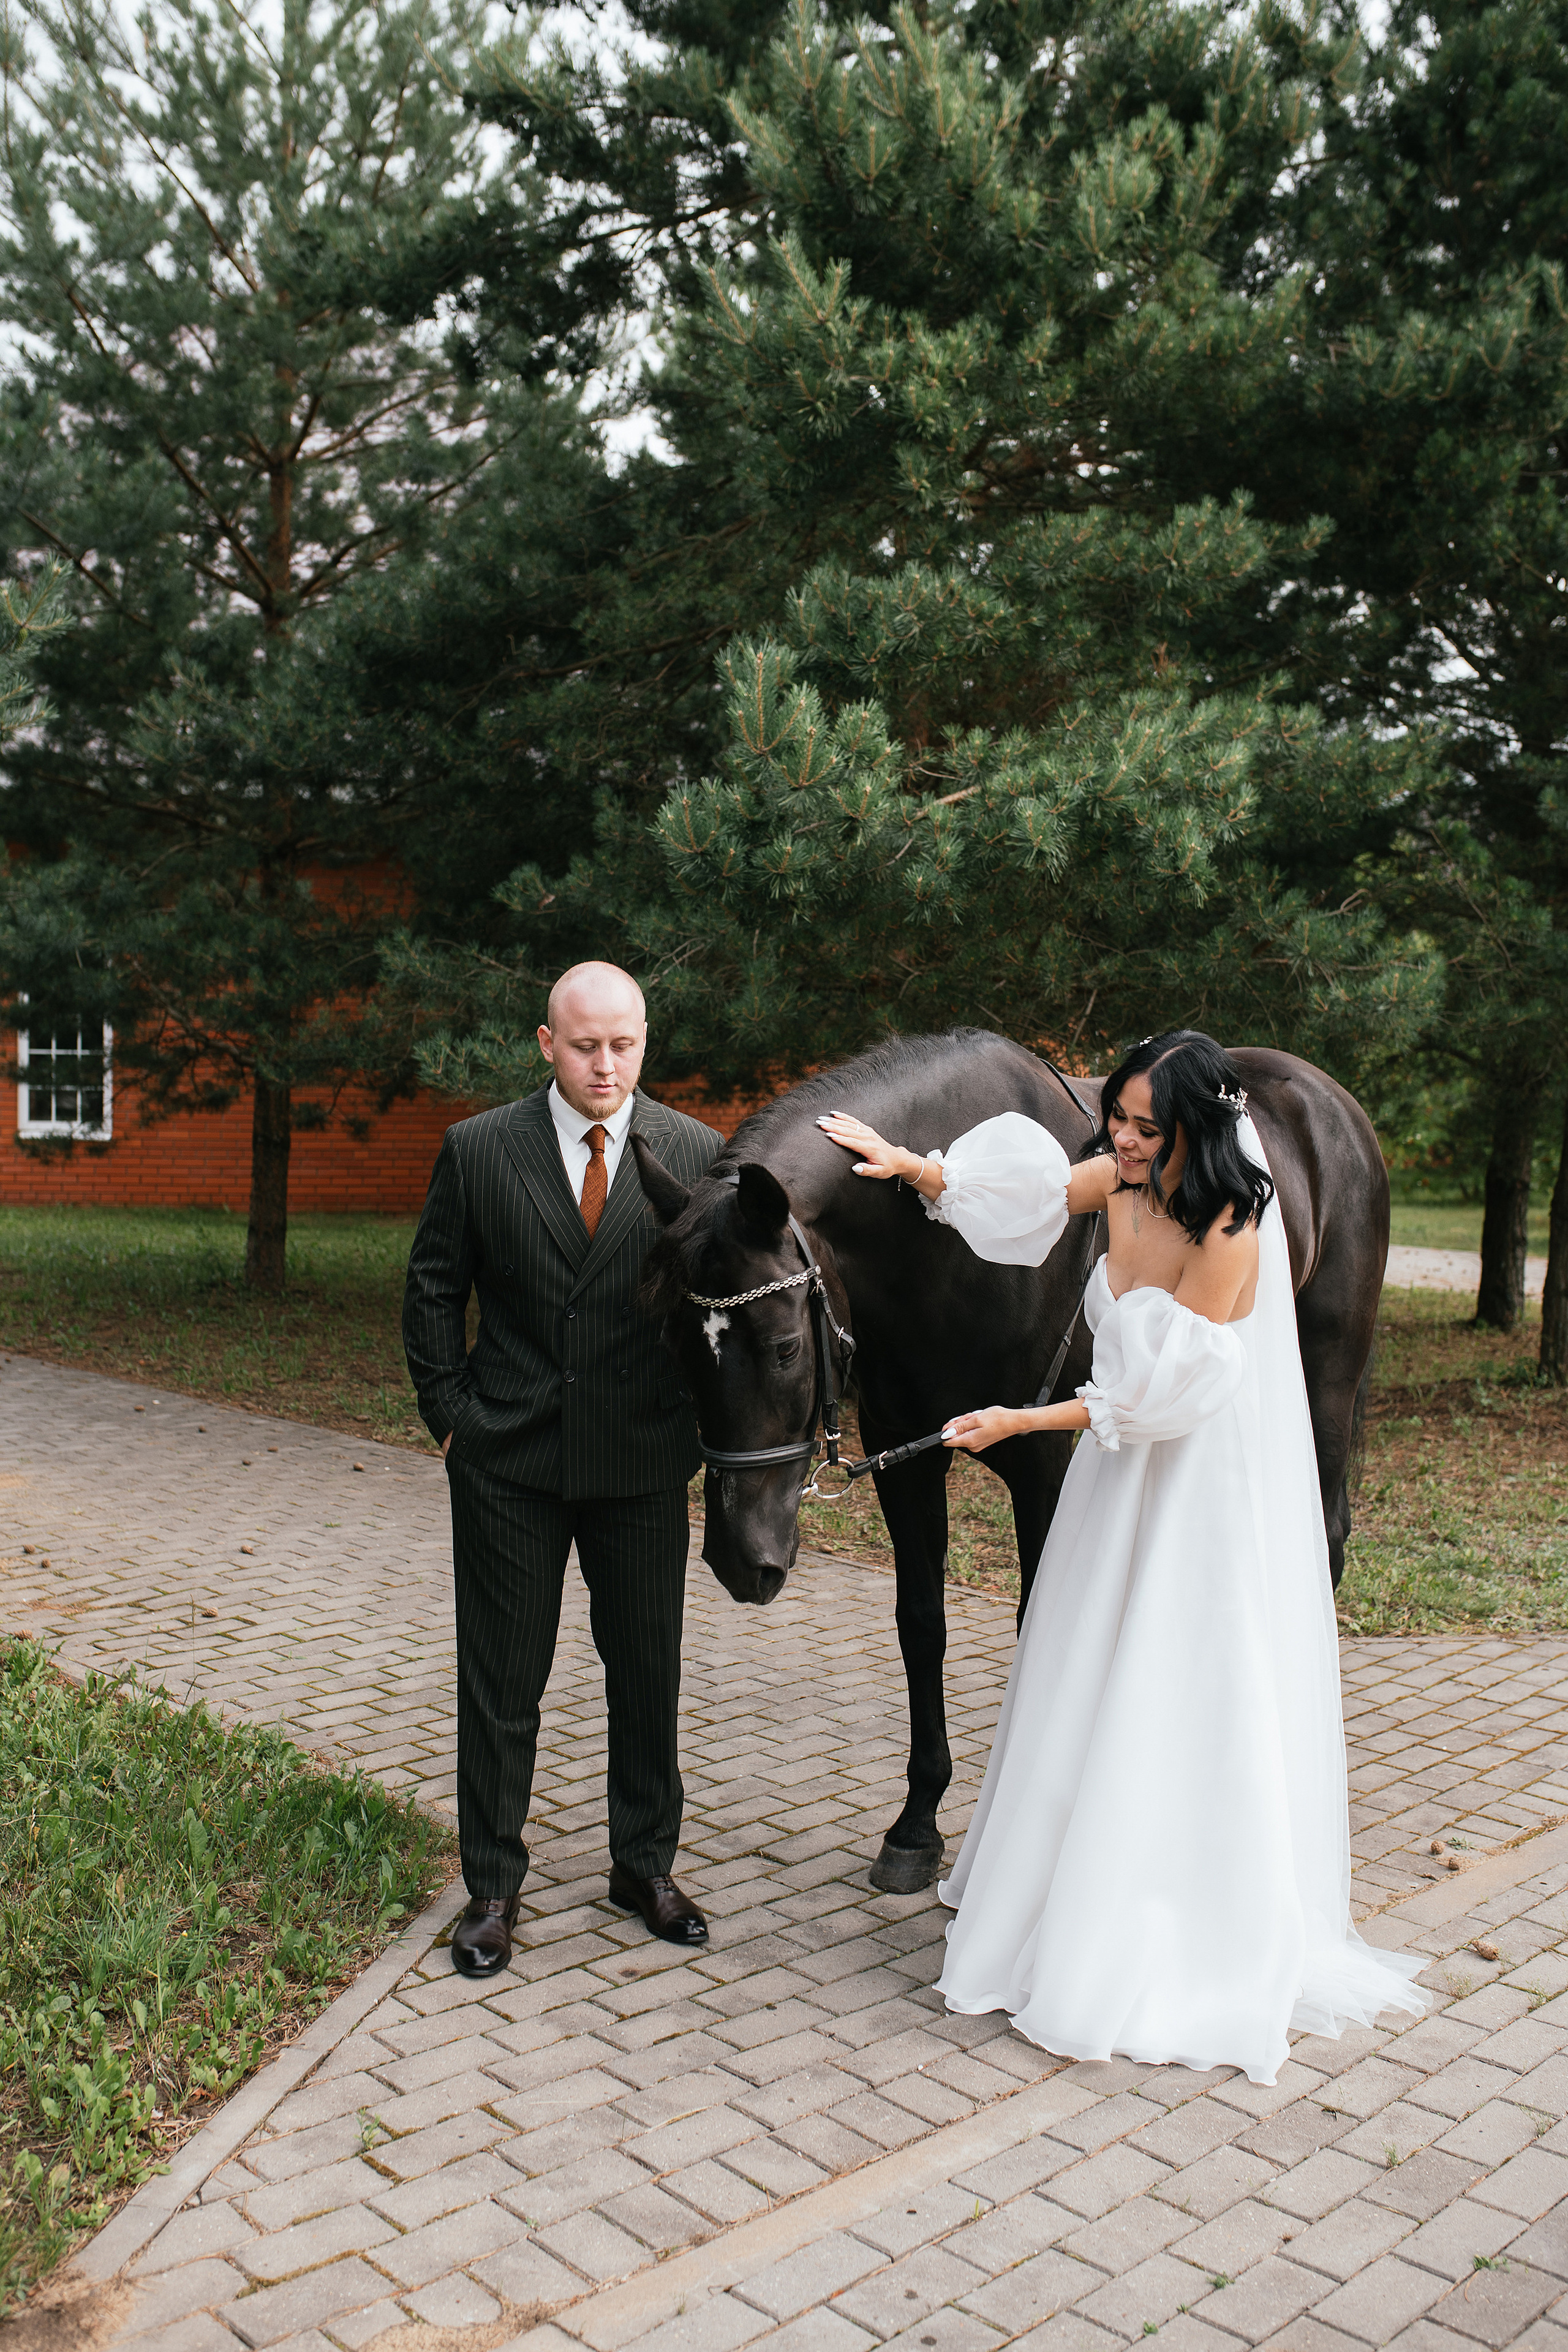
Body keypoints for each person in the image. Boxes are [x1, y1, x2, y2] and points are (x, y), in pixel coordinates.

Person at [818, 1030, 1426, 2086]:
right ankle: (1056, 1886)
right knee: (1083, 1661)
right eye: (1120, 1119)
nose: (1126, 1143)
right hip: (1117, 1463)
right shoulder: (1119, 1177)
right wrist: (918, 1167)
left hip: (1189, 1471)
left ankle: (1171, 1916)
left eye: (1151, 1128)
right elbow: (1039, 1194)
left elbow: (1164, 1396)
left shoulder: (1233, 1225)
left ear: (1197, 1127)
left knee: (1174, 1670)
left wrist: (1017, 1420)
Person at [404, 961, 722, 1976]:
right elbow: (431, 1291)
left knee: (647, 1678)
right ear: (548, 1044)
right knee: (503, 1684)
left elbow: (720, 1316)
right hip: (511, 1462)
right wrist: (451, 1417)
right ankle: (492, 1887)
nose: (605, 1064)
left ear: (645, 1039)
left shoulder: (695, 1152)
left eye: (623, 1043)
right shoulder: (479, 1149)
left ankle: (645, 1866)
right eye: (585, 1045)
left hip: (639, 1462)